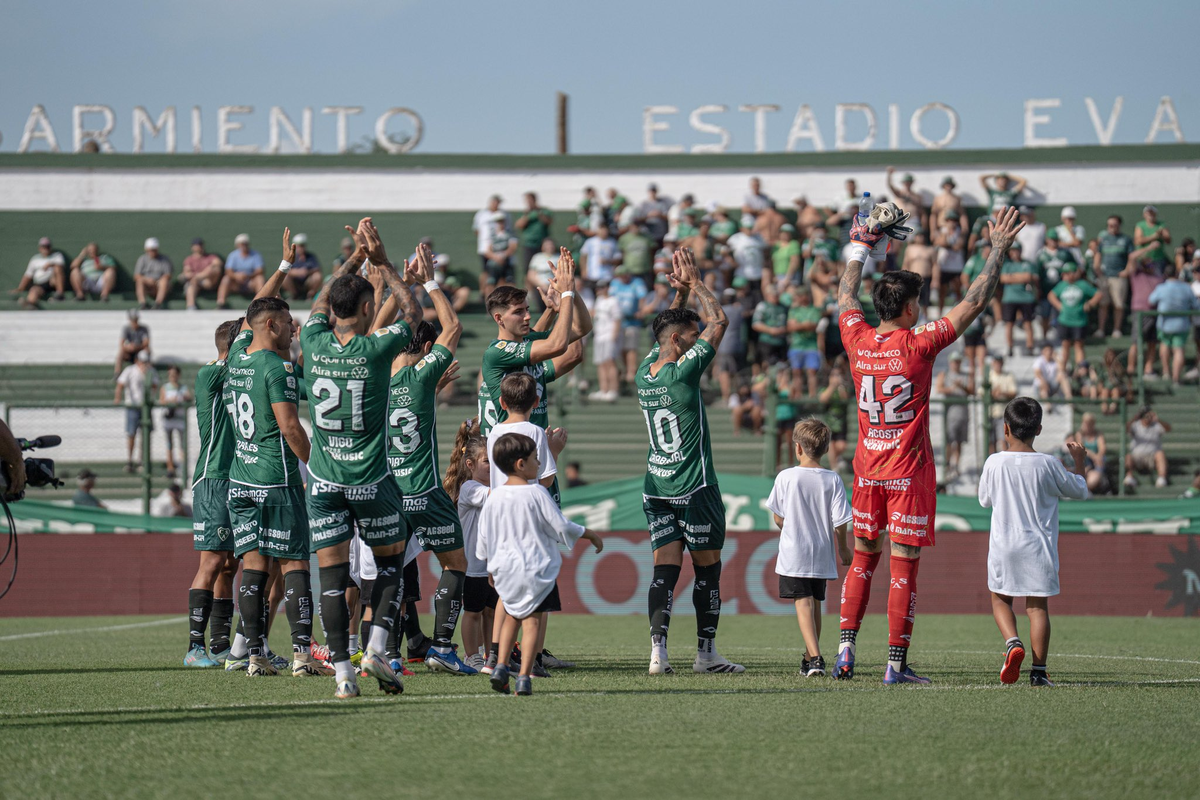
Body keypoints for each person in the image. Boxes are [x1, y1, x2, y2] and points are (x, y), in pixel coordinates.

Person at [835, 202, 1024, 684]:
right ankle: (895, 665)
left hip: (866, 471)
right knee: (904, 565)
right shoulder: (920, 343)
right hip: (908, 475)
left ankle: (844, 652)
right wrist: (997, 249)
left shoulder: (856, 339)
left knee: (862, 559)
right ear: (912, 308)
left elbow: (844, 294)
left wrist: (861, 243)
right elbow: (975, 302)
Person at [298, 219, 422, 698]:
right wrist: (383, 261)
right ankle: (374, 648)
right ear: (369, 308)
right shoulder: (376, 347)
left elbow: (316, 304)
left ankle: (344, 676)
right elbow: (411, 313)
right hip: (371, 480)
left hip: (325, 482)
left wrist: (353, 257)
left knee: (330, 578)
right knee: (390, 567)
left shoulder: (312, 340)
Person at [223, 224, 322, 681]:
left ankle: (255, 653)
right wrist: (318, 466)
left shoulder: (238, 354)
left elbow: (252, 312)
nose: (293, 327)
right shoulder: (277, 367)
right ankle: (302, 653)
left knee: (255, 566)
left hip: (240, 479)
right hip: (276, 478)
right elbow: (289, 426)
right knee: (296, 562)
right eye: (287, 322)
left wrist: (283, 267)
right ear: (271, 327)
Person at [638, 247, 743, 675]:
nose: (698, 335)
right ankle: (705, 655)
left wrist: (677, 295)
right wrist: (697, 282)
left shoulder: (645, 371)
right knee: (707, 570)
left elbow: (666, 333)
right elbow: (720, 321)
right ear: (681, 342)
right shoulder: (683, 371)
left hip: (655, 487)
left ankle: (657, 654)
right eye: (691, 333)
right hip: (694, 486)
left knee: (664, 570)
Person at [385, 249, 479, 676]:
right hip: (422, 489)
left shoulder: (373, 376)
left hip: (386, 491)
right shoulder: (422, 374)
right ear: (424, 347)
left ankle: (383, 651)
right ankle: (442, 646)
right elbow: (453, 326)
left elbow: (374, 329)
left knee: (388, 570)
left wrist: (396, 286)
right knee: (455, 564)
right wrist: (429, 282)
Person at [479, 432, 602, 696]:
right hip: (536, 569)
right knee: (532, 622)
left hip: (505, 569)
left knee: (511, 616)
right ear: (521, 464)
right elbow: (560, 525)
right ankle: (524, 677)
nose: (540, 463)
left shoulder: (495, 497)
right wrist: (589, 533)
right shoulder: (536, 492)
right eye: (537, 458)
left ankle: (500, 666)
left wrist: (489, 566)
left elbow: (485, 535)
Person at [979, 397, 1088, 687]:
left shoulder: (994, 462)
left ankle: (1013, 643)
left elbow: (984, 500)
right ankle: (1039, 672)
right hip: (1038, 548)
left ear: (1005, 428)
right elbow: (1079, 490)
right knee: (1037, 607)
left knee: (1000, 599)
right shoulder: (1048, 464)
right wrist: (1079, 462)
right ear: (1038, 429)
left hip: (1004, 546)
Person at [484, 373, 568, 677]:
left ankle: (494, 657)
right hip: (530, 521)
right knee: (539, 594)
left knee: (505, 594)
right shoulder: (534, 431)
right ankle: (531, 663)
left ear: (502, 402)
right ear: (535, 401)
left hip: (500, 514)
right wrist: (554, 451)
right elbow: (543, 479)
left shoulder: (494, 433)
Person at [767, 418, 853, 677]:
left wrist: (790, 525)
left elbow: (778, 516)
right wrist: (843, 549)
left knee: (802, 602)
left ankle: (815, 658)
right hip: (822, 551)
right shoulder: (833, 479)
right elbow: (840, 522)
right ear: (826, 449)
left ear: (797, 448)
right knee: (815, 603)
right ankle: (808, 656)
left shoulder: (786, 476)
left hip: (796, 551)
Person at [185, 318, 249, 669]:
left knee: (229, 566)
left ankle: (222, 645)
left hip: (238, 478)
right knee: (211, 562)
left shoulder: (242, 375)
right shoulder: (211, 374)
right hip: (213, 479)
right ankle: (195, 648)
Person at [479, 250, 590, 438]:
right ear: (499, 318)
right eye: (518, 312)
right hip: (512, 449)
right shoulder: (498, 352)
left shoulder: (525, 344)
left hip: (533, 444)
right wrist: (566, 295)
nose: (527, 316)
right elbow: (557, 345)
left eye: (527, 309)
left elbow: (581, 329)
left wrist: (571, 292)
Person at [443, 420, 493, 671]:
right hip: (474, 564)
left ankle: (489, 654)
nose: (492, 466)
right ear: (471, 464)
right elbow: (497, 496)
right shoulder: (471, 487)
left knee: (491, 612)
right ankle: (472, 655)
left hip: (493, 564)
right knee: (473, 612)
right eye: (487, 461)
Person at [1148, 265, 1199, 385]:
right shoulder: (1186, 288)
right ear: (1176, 274)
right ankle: (1175, 378)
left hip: (1165, 324)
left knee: (1165, 345)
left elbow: (1151, 300)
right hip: (1181, 324)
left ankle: (1167, 373)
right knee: (1178, 350)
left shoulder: (1161, 287)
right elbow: (1196, 305)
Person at [1124, 245, 1166, 379]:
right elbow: (1132, 257)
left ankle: (1148, 369)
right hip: (1140, 312)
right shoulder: (1137, 274)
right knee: (1136, 342)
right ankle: (1131, 369)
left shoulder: (1159, 278)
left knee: (1153, 343)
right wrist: (1150, 248)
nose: (1149, 264)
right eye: (1146, 262)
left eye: (1150, 262)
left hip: (1156, 313)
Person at [114, 350, 159, 473]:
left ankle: (142, 460)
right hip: (133, 406)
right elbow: (120, 384)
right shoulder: (130, 370)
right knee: (131, 434)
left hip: (145, 406)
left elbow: (155, 386)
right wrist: (117, 397)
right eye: (142, 361)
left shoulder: (151, 371)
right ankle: (130, 460)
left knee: (145, 434)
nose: (144, 364)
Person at [1049, 265, 1100, 370]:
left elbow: (1098, 294)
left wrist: (1089, 304)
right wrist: (1059, 305)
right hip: (1064, 320)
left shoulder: (1082, 285)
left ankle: (1080, 369)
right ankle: (1063, 369)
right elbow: (1051, 295)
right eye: (1065, 273)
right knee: (1065, 345)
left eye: (1069, 273)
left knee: (1078, 345)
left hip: (1079, 321)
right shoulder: (1062, 285)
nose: (1067, 276)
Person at [1094, 215, 1136, 337]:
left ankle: (1117, 329)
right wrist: (1097, 268)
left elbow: (1131, 257)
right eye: (1109, 225)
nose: (1111, 227)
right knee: (1103, 303)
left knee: (1118, 304)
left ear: (1119, 225)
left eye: (1114, 225)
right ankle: (1101, 329)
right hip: (1104, 276)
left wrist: (1127, 271)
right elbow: (1098, 254)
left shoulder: (1126, 239)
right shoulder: (1103, 239)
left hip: (1119, 277)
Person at [935, 353, 974, 480]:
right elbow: (939, 388)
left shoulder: (966, 375)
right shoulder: (944, 374)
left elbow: (972, 390)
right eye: (954, 361)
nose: (956, 364)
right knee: (949, 440)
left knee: (959, 441)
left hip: (962, 413)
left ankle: (956, 465)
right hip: (950, 413)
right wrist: (952, 388)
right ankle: (947, 464)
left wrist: (961, 386)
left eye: (958, 361)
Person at [999, 242, 1038, 356]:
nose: (1014, 253)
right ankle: (1010, 347)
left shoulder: (1027, 264)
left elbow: (1030, 277)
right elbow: (1003, 279)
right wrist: (1022, 277)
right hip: (1010, 298)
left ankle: (1030, 346)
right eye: (1012, 251)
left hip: (1026, 298)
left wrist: (1012, 277)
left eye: (1016, 250)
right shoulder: (1007, 265)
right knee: (1009, 324)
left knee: (1028, 323)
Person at [589, 278, 621, 401]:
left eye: (601, 287)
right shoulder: (599, 300)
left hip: (609, 335)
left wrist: (614, 335)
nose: (599, 290)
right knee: (600, 364)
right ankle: (604, 389)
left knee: (610, 362)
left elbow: (617, 319)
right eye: (598, 288)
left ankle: (613, 390)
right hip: (599, 336)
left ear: (607, 288)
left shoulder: (613, 301)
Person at [786, 288, 822, 397]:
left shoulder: (814, 310)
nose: (801, 298)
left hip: (811, 346)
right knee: (796, 372)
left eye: (802, 295)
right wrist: (805, 325)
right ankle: (798, 395)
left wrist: (799, 325)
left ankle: (812, 396)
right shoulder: (793, 311)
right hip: (796, 345)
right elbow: (791, 327)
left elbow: (814, 326)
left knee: (812, 372)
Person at [1124, 407, 1171, 489]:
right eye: (1145, 415)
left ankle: (1161, 478)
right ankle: (1130, 477)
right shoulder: (1136, 425)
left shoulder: (1156, 425)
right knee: (1128, 456)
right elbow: (1126, 428)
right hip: (1137, 456)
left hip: (1152, 457)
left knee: (1160, 454)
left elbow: (1168, 429)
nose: (1147, 417)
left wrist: (1158, 419)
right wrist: (1134, 418)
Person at [13, 237, 66, 308]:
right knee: (34, 290)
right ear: (40, 248)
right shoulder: (35, 259)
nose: (46, 249)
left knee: (57, 268)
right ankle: (30, 304)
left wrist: (51, 264)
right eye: (44, 247)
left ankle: (60, 294)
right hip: (41, 284)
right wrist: (20, 288)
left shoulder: (57, 256)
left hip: (53, 282)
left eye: (48, 246)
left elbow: (60, 267)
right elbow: (28, 275)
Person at [159, 365, 191, 479]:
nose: (172, 377)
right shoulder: (165, 388)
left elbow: (189, 397)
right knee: (169, 444)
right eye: (170, 375)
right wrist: (170, 401)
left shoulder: (183, 388)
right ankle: (170, 467)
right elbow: (162, 401)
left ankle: (183, 467)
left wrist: (183, 397)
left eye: (174, 374)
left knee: (182, 444)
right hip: (169, 419)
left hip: (179, 419)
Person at [216, 234, 264, 308]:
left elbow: (260, 270)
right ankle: (221, 302)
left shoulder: (255, 255)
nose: (243, 246)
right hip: (236, 283)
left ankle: (261, 302)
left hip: (250, 282)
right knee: (226, 278)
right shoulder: (233, 255)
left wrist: (247, 275)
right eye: (241, 244)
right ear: (237, 245)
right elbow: (228, 271)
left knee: (260, 278)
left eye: (245, 243)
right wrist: (236, 276)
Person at [819, 363, 852, 472]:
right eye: (833, 375)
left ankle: (837, 459)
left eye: (838, 374)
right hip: (829, 421)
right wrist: (832, 386)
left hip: (841, 422)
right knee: (831, 444)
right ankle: (834, 468)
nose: (836, 377)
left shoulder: (843, 388)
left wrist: (840, 386)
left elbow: (845, 399)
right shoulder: (826, 388)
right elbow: (823, 398)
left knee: (841, 446)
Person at [933, 212, 967, 315]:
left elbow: (958, 246)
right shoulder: (942, 232)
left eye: (953, 221)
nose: (951, 223)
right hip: (944, 266)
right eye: (949, 221)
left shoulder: (960, 232)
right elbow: (939, 242)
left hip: (956, 267)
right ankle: (940, 313)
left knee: (958, 291)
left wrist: (946, 245)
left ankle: (960, 312)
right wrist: (946, 234)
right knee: (942, 292)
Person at [751, 284, 788, 369]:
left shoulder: (783, 307)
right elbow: (756, 324)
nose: (775, 296)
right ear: (767, 295)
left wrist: (784, 329)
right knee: (766, 364)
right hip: (767, 341)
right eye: (773, 295)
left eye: (777, 294)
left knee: (782, 366)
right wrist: (770, 330)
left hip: (781, 341)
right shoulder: (763, 306)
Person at [1071, 413, 1109, 494]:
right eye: (1086, 423)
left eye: (1089, 423)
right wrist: (1094, 456)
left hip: (1097, 460)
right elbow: (1081, 448)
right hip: (1085, 460)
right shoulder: (1079, 434)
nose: (1087, 425)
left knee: (1101, 460)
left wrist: (1098, 456)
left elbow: (1102, 448)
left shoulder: (1098, 434)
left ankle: (1094, 481)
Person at [180, 238, 224, 310]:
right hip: (195, 283)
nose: (198, 247)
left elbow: (218, 264)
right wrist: (195, 277)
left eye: (200, 245)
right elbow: (186, 273)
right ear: (192, 247)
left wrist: (200, 275)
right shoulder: (189, 260)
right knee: (190, 284)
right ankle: (191, 306)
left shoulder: (211, 257)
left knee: (215, 269)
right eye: (196, 245)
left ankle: (221, 303)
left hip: (209, 282)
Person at [728, 214, 768, 290]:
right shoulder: (735, 238)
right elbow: (726, 251)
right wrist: (732, 262)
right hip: (742, 272)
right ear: (742, 228)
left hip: (757, 272)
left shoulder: (759, 238)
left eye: (751, 228)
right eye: (747, 228)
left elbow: (766, 251)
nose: (749, 230)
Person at [514, 192, 552, 271]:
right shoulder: (525, 213)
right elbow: (519, 225)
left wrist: (538, 213)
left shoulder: (543, 211)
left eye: (530, 200)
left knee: (543, 267)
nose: (529, 202)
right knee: (528, 268)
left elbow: (548, 221)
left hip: (542, 244)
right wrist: (527, 216)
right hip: (529, 244)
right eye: (527, 200)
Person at [133, 237, 173, 310]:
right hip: (148, 285)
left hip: (159, 284)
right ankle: (143, 303)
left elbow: (168, 275)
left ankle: (158, 304)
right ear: (146, 250)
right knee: (139, 281)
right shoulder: (142, 259)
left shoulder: (164, 259)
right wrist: (147, 280)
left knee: (164, 281)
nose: (152, 252)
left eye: (154, 250)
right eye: (150, 250)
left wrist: (159, 280)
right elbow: (136, 276)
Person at [886, 168, 928, 233]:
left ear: (912, 182)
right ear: (903, 183)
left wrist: (924, 226)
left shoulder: (917, 196)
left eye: (909, 182)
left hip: (913, 221)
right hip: (901, 221)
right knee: (898, 239)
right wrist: (889, 175)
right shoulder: (899, 193)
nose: (907, 184)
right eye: (906, 182)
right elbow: (890, 186)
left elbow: (921, 211)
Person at [282, 233, 322, 300]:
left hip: (307, 282)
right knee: (284, 277)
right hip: (294, 282)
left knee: (317, 276)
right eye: (299, 246)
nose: (301, 248)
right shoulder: (290, 257)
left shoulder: (311, 257)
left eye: (302, 245)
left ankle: (310, 295)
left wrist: (307, 271)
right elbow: (283, 270)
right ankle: (294, 295)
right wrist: (295, 272)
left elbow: (317, 269)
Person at [772, 224, 802, 288]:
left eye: (788, 233)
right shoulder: (776, 246)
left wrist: (788, 278)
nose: (785, 234)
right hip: (778, 276)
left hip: (791, 276)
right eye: (783, 232)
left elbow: (794, 262)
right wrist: (774, 276)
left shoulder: (794, 244)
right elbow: (772, 261)